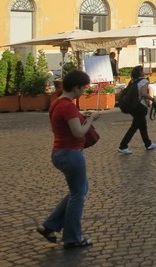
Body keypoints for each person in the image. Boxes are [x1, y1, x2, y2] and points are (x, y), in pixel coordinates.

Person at [38, 69, 98, 248]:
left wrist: (82, 118)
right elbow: (78, 132)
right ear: (76, 87)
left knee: (80, 189)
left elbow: (58, 128)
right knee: (78, 195)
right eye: (83, 88)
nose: (84, 92)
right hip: (71, 154)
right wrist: (91, 119)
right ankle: (72, 237)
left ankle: (49, 225)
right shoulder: (68, 106)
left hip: (59, 151)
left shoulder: (56, 103)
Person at [118, 65, 156, 155]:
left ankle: (148, 143)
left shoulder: (133, 81)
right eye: (142, 70)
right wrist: (153, 99)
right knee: (134, 127)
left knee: (142, 125)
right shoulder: (144, 81)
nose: (144, 72)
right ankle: (123, 146)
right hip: (140, 106)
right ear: (140, 72)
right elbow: (143, 93)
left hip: (133, 106)